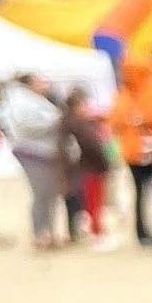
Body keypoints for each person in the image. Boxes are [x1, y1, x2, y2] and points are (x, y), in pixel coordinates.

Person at [111, 51, 152, 246]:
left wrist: (144, 119)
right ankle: (143, 233)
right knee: (142, 191)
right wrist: (130, 121)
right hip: (134, 152)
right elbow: (113, 120)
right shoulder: (124, 94)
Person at [0, 74, 68, 249]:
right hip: (32, 152)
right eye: (40, 81)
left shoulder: (36, 99)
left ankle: (50, 232)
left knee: (50, 194)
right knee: (41, 193)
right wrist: (54, 121)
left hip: (45, 152)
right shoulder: (19, 101)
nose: (45, 84)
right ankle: (40, 233)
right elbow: (26, 126)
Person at [57, 90, 110, 245]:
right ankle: (96, 233)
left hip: (85, 167)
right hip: (89, 167)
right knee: (93, 201)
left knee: (91, 201)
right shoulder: (78, 125)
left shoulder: (73, 123)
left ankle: (91, 230)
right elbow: (92, 146)